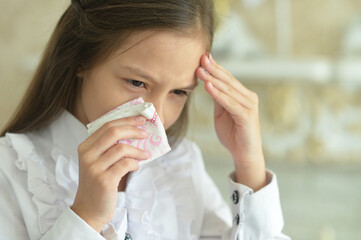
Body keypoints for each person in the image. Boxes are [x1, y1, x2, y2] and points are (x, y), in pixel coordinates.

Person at [0, 0, 290, 239]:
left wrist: (249, 164)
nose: (156, 115)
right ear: (82, 60)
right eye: (137, 83)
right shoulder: (11, 169)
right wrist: (85, 217)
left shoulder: (182, 164)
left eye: (178, 91)